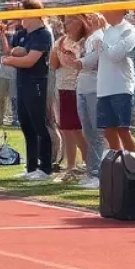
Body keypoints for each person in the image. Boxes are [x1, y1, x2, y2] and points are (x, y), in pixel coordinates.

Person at [0, 0, 54, 180]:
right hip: (22, 83)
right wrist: (15, 55)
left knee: (39, 125)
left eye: (23, 12)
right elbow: (15, 50)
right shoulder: (23, 34)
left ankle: (45, 167)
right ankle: (31, 166)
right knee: (26, 125)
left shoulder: (43, 34)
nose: (20, 16)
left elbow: (29, 60)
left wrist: (11, 60)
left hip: (37, 82)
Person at [50, 16, 90, 181]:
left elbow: (79, 63)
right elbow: (53, 64)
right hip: (62, 87)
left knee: (77, 128)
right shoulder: (61, 40)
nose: (66, 24)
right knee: (66, 128)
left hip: (76, 87)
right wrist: (57, 51)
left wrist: (69, 56)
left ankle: (90, 166)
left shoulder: (84, 41)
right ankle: (70, 166)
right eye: (65, 21)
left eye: (71, 21)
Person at [95, 2, 135, 154]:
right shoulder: (104, 31)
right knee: (108, 130)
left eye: (106, 9)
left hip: (121, 86)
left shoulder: (128, 30)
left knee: (123, 129)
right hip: (103, 87)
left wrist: (102, 42)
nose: (102, 12)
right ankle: (118, 165)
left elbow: (115, 55)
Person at [75, 13, 108, 190]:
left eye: (92, 18)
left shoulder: (100, 35)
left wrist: (78, 62)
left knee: (97, 132)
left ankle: (98, 173)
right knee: (87, 131)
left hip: (95, 88)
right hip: (82, 86)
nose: (89, 22)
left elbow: (93, 60)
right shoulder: (86, 39)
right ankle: (91, 170)